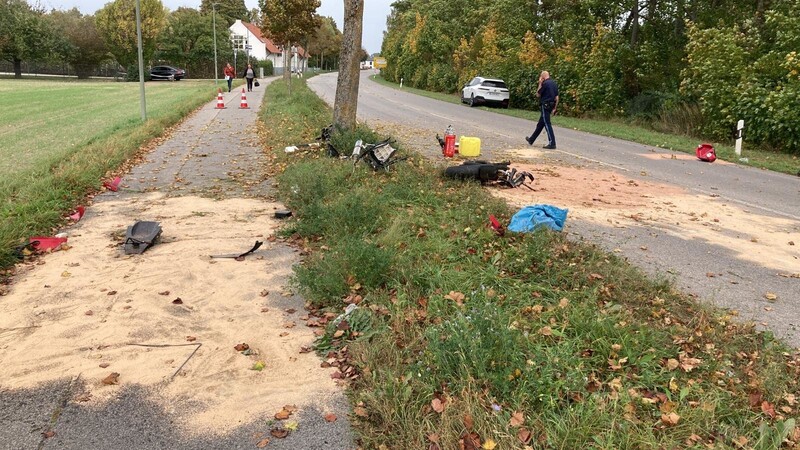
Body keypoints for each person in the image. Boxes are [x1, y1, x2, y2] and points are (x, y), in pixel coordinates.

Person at [526, 71, 559, 149]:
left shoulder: (545, 84)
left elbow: (538, 94)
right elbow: (557, 98)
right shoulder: (554, 84)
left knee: (547, 124)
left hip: (545, 105)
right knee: (541, 124)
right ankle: (531, 139)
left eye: (541, 77)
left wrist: (540, 83)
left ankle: (552, 143)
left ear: (543, 77)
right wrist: (555, 108)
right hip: (551, 105)